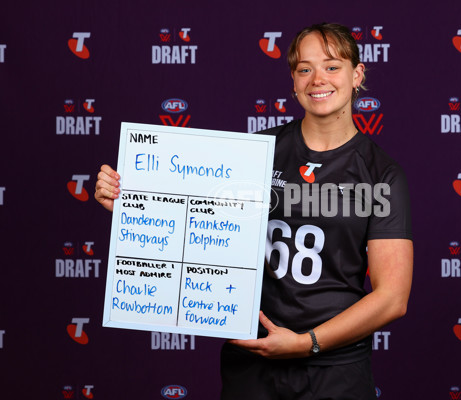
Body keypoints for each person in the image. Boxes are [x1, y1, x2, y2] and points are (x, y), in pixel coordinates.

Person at [95, 23, 413, 400]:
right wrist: (132, 205)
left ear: (356, 74)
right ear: (293, 82)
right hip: (252, 362)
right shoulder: (254, 153)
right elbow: (195, 229)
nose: (317, 80)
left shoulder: (381, 173)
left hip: (336, 370)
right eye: (304, 69)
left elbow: (392, 297)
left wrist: (307, 342)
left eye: (331, 66)